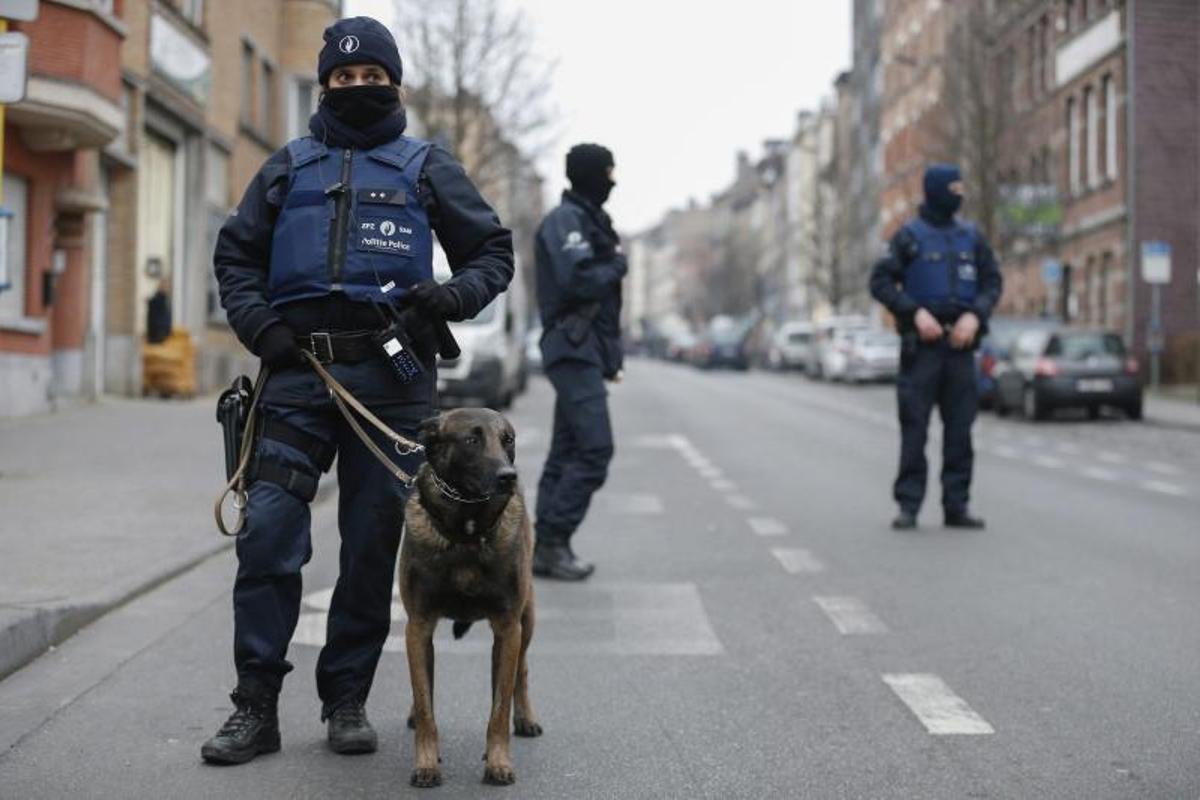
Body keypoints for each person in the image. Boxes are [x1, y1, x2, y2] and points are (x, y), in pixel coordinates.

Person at [203, 16, 513, 765]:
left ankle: (346, 702)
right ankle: (256, 707)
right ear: (326, 84)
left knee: (372, 548)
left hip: (390, 383)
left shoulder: (425, 166)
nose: (357, 88)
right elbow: (235, 256)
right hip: (297, 376)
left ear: (392, 83)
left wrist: (451, 297)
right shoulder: (286, 166)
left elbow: (492, 251)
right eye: (343, 79)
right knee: (270, 531)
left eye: (371, 78)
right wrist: (261, 330)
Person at [869, 163, 1002, 531]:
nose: (959, 195)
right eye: (954, 188)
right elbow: (880, 282)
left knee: (960, 432)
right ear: (936, 190)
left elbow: (992, 282)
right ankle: (908, 505)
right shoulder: (908, 237)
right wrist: (914, 314)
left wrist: (975, 316)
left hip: (960, 349)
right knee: (915, 430)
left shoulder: (972, 237)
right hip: (921, 350)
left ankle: (956, 506)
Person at [531, 144, 626, 581]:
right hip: (572, 347)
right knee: (594, 449)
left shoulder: (588, 219)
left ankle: (543, 546)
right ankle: (552, 539)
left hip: (581, 348)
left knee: (566, 450)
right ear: (589, 175)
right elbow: (578, 280)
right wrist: (617, 266)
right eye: (608, 172)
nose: (613, 181)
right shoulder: (566, 221)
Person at [145, 276, 172, 344]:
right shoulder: (157, 299)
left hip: (161, 333)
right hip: (157, 333)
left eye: (167, 286)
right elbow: (155, 318)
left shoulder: (164, 298)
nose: (167, 288)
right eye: (165, 285)